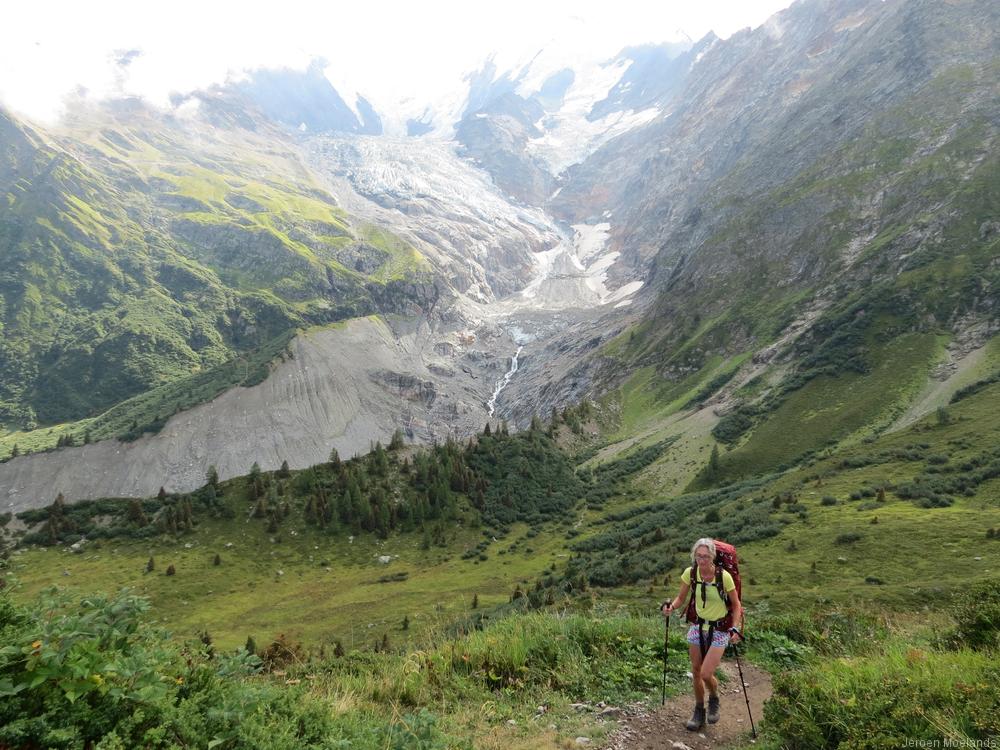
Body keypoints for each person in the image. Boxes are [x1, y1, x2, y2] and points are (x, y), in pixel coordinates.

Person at [661, 537, 743, 731]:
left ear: (712, 556)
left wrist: (736, 627)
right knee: (696, 671)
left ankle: (714, 697)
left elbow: (737, 604)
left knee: (707, 674)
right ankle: (699, 710)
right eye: (698, 556)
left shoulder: (724, 577)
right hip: (698, 627)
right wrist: (671, 607)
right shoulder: (691, 573)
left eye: (705, 556)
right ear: (694, 556)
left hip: (720, 629)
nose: (702, 560)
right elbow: (681, 597)